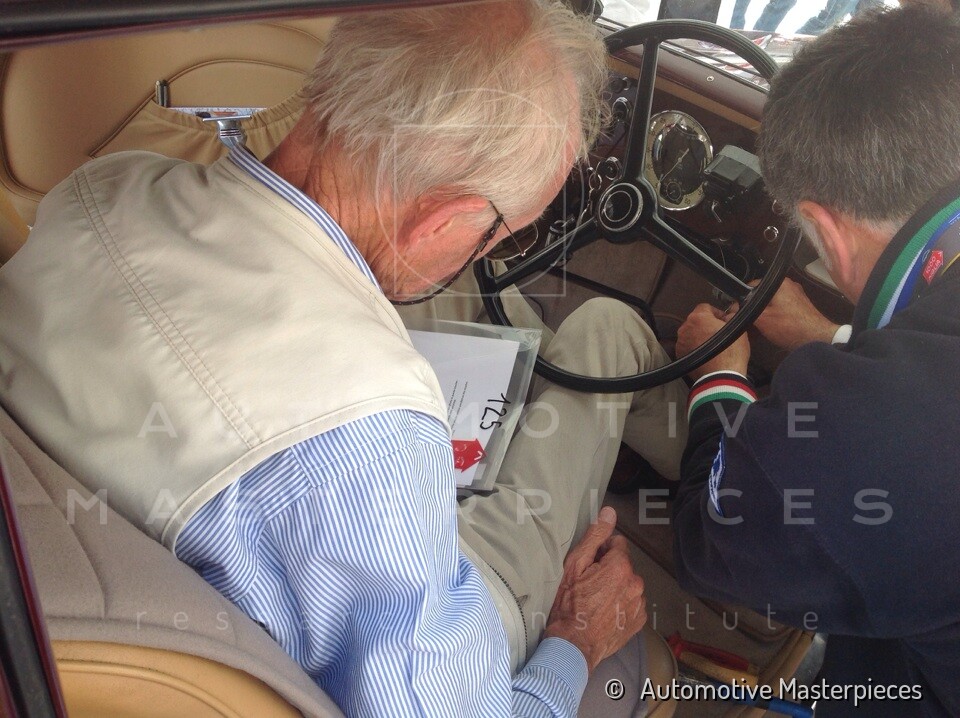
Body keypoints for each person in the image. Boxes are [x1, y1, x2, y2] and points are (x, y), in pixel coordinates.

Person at [0, 1, 690, 716]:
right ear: (442, 220)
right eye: (496, 234)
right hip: (436, 629)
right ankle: (708, 452)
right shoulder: (371, 437)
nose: (489, 250)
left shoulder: (100, 190)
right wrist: (577, 640)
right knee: (608, 331)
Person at [673, 7, 960, 716]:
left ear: (826, 232)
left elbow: (710, 543)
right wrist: (828, 336)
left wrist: (718, 376)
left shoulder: (858, 431)